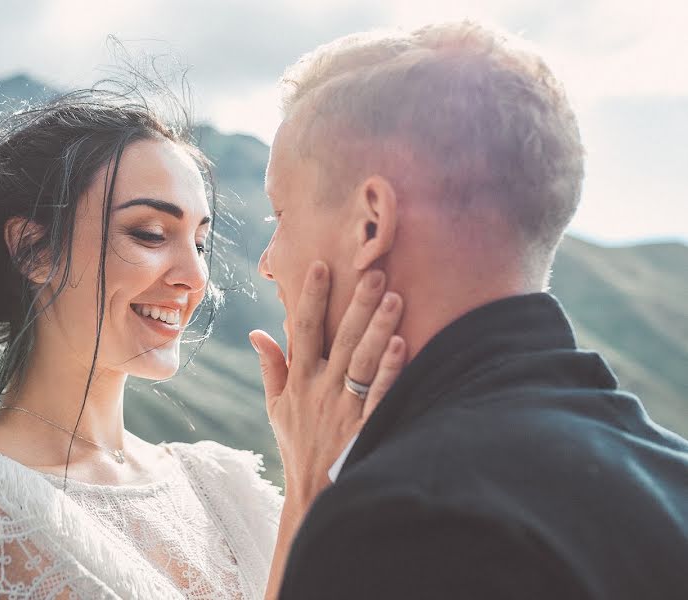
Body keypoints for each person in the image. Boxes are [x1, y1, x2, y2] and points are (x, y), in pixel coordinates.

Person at [0, 85, 405, 599]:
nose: (194, 275)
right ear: (34, 250)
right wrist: (308, 487)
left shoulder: (220, 487)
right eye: (152, 234)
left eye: (200, 243)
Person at [251, 21, 688, 599]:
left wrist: (310, 495)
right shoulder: (671, 469)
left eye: (279, 216)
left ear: (371, 223)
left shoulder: (405, 521)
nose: (267, 263)